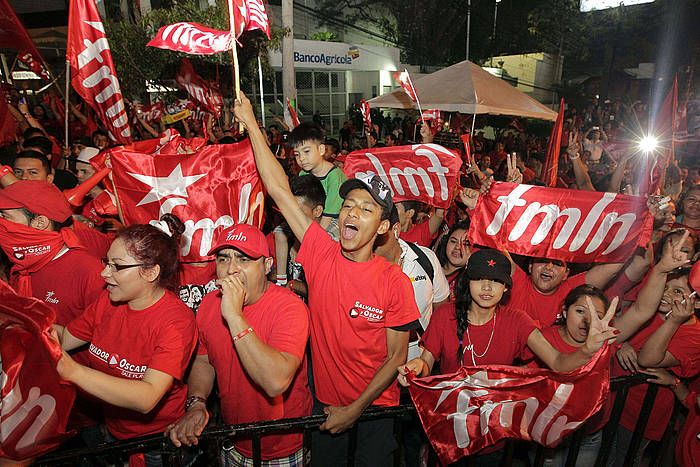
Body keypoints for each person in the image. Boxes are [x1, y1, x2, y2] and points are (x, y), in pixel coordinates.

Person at [234, 92, 420, 465]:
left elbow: (396, 357)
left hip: (374, 412)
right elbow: (280, 192)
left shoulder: (394, 281)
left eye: (367, 209)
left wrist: (355, 409)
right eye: (349, 204)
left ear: (383, 226)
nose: (352, 212)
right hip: (325, 405)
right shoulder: (321, 252)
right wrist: (253, 125)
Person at [398, 249, 617, 465]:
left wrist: (587, 350)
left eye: (495, 281)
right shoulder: (446, 315)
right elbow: (426, 361)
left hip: (493, 432)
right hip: (451, 427)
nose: (486, 287)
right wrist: (416, 368)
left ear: (505, 287)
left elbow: (558, 362)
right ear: (468, 282)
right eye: (479, 279)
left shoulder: (517, 320)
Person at [53, 215, 197, 465]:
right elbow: (66, 338)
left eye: (117, 266)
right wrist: (26, 324)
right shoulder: (107, 301)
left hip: (159, 445)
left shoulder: (176, 321)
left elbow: (146, 397)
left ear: (151, 272)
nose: (104, 273)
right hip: (111, 433)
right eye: (106, 262)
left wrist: (72, 370)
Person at [166, 224, 312, 465]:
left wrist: (234, 316)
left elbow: (276, 382)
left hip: (281, 445)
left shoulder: (290, 308)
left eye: (243, 259)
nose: (231, 269)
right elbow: (204, 359)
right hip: (232, 437)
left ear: (266, 266)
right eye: (223, 259)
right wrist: (197, 402)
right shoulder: (209, 305)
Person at [375, 206, 450, 360]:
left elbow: (442, 312)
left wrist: (428, 358)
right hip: (373, 364)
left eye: (376, 230)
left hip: (418, 362)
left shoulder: (425, 258)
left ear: (395, 229)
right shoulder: (357, 268)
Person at [434, 220, 471, 301]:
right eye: (453, 241)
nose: (458, 247)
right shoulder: (431, 267)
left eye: (465, 244)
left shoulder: (471, 283)